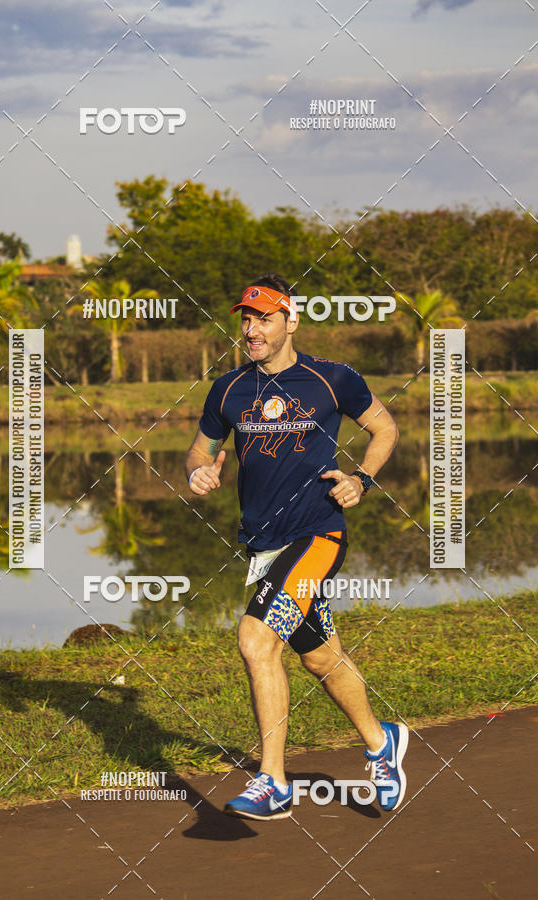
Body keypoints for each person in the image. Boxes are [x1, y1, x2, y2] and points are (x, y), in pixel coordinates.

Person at [185, 273, 407, 821]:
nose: (252, 329)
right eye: (246, 318)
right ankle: (383, 745)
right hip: (263, 545)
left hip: (318, 534)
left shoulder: (332, 379)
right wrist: (197, 473)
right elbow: (199, 450)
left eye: (264, 318)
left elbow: (386, 429)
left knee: (256, 640)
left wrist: (363, 478)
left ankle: (274, 781)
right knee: (320, 657)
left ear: (291, 321)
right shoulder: (228, 389)